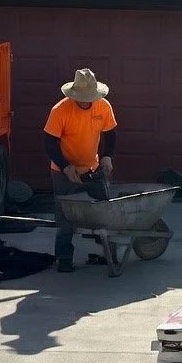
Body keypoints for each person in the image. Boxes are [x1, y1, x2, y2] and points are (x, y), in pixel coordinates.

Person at [43, 68, 117, 272]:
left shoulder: (103, 106)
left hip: (92, 168)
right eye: (82, 98)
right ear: (73, 95)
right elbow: (49, 143)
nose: (86, 102)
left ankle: (110, 255)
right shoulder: (60, 110)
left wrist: (107, 157)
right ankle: (64, 259)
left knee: (104, 212)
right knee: (65, 216)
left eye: (90, 98)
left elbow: (110, 134)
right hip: (63, 170)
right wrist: (66, 167)